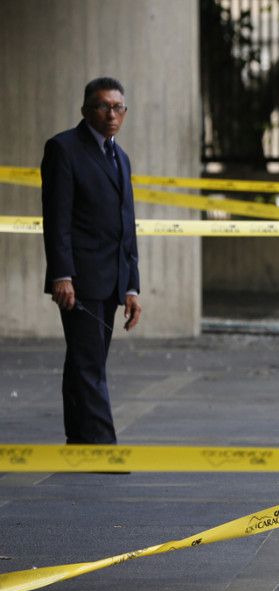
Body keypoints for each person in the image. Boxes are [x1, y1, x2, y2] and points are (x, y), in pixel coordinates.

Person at [42, 77, 141, 445]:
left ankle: (79, 442)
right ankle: (103, 448)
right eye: (103, 106)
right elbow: (57, 220)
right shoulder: (63, 149)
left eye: (118, 107)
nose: (111, 114)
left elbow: (126, 225)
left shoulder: (120, 157)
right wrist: (61, 275)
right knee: (89, 363)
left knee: (85, 361)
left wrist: (131, 285)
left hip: (112, 279)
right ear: (86, 110)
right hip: (79, 279)